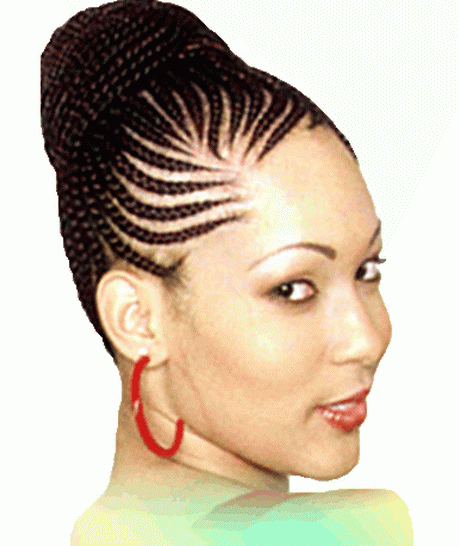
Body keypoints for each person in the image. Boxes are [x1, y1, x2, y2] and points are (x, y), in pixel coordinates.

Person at [41, 1, 413, 544]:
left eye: (367, 269)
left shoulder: (101, 528)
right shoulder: (347, 533)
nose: (368, 338)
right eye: (292, 288)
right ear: (137, 318)